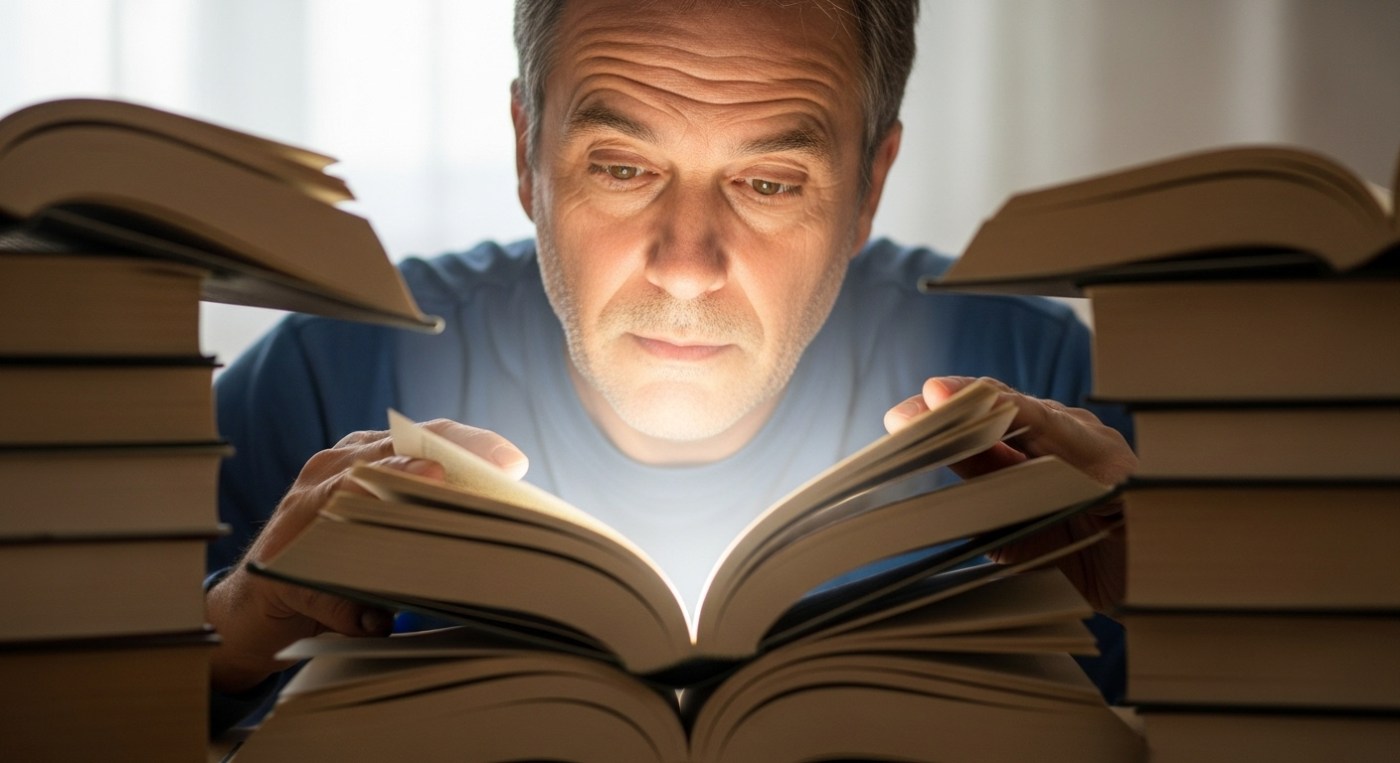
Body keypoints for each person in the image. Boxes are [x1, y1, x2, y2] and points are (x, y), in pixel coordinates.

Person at [205, 0, 1137, 734]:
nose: (687, 264)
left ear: (869, 184)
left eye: (768, 182)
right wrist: (241, 625)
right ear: (528, 151)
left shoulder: (1035, 385)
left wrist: (1180, 597)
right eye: (621, 168)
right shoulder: (335, 371)